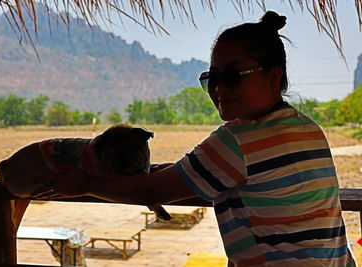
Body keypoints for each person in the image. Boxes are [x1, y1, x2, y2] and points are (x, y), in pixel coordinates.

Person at [35, 11, 356, 266]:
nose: (218, 88)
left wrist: (85, 185)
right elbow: (190, 172)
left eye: (231, 76)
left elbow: (150, 189)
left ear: (273, 77)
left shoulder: (237, 141)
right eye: (211, 78)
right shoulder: (307, 128)